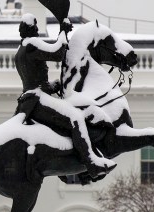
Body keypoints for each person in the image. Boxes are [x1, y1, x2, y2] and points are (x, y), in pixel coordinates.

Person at [14, 13, 116, 179]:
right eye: (36, 28)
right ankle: (91, 163)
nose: (38, 31)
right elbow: (57, 54)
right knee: (75, 118)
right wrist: (63, 31)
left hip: (29, 99)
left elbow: (34, 81)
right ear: (32, 29)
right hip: (38, 100)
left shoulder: (21, 50)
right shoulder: (32, 44)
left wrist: (54, 85)